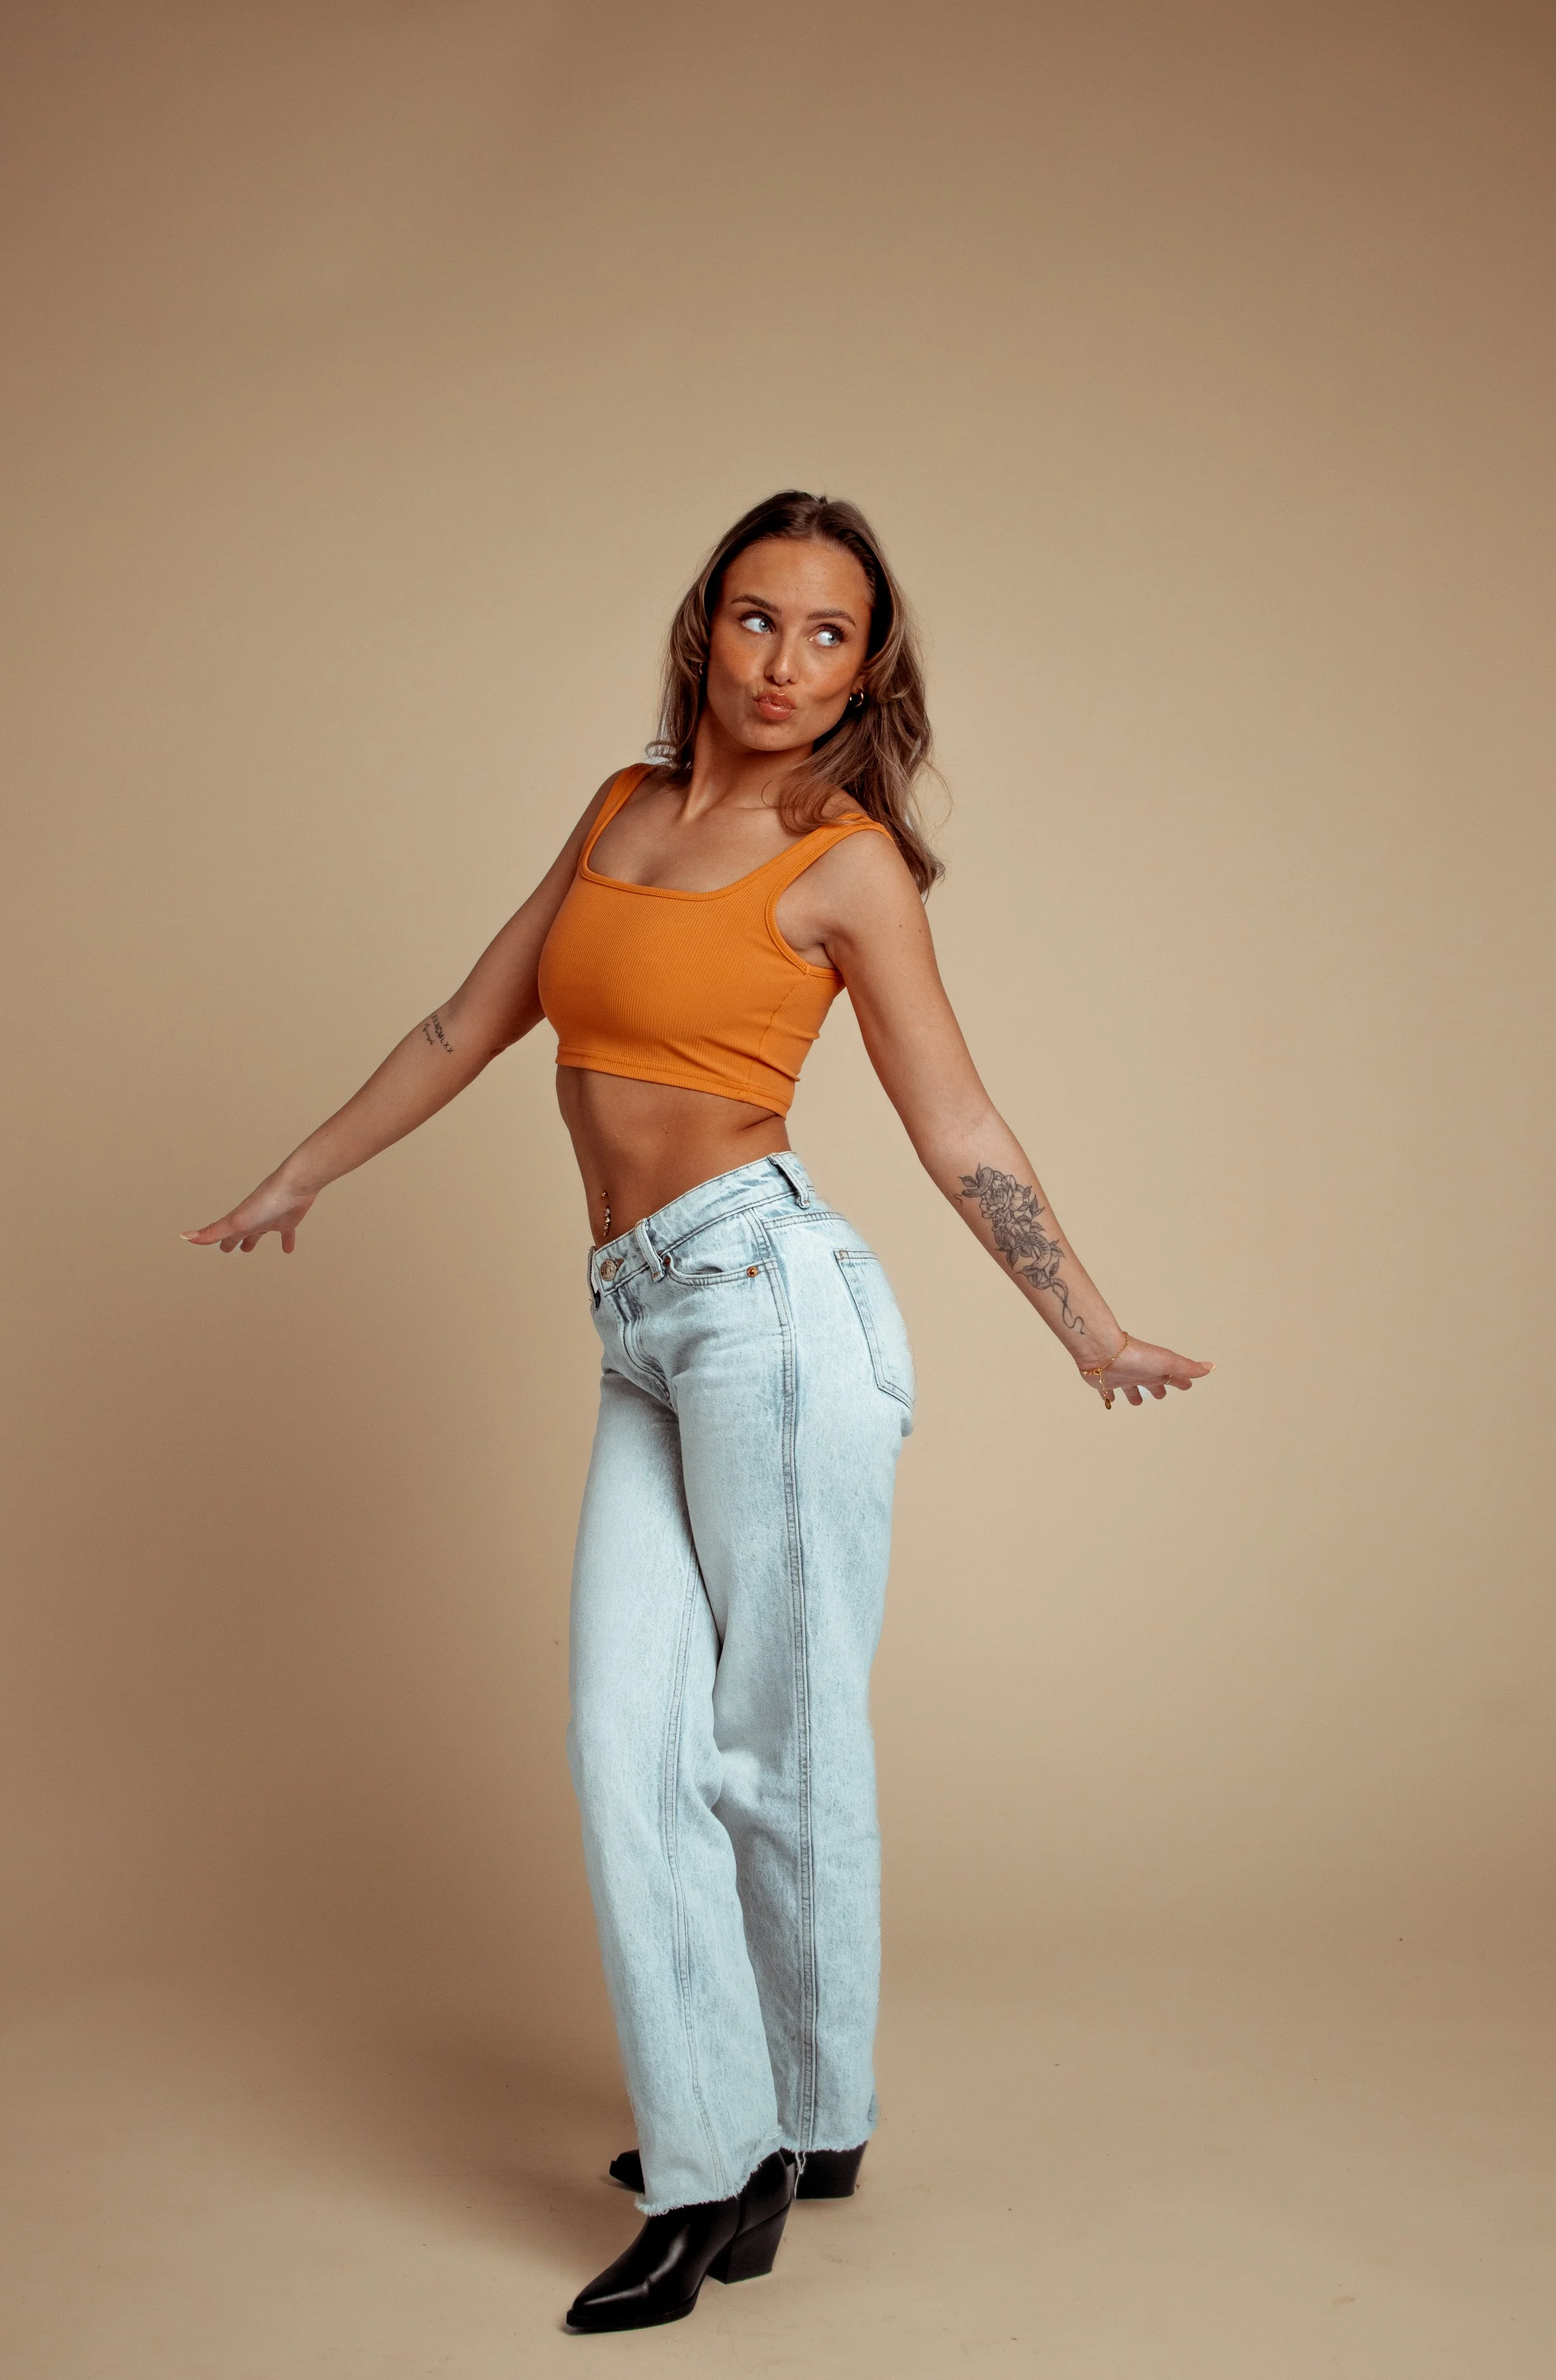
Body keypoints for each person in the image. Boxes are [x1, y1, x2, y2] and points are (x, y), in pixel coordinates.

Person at [183, 490, 1211, 2332]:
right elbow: (466, 1019)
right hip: (640, 1322)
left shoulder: (846, 864)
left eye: (828, 636)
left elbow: (954, 1122)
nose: (785, 663)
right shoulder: (618, 808)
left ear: (867, 669)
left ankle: (749, 2149)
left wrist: (1088, 1325)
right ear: (703, 626)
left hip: (769, 1306)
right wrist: (299, 1171)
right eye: (757, 619)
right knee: (620, 1741)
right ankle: (751, 2121)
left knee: (776, 1745)